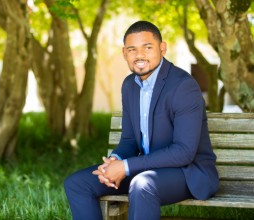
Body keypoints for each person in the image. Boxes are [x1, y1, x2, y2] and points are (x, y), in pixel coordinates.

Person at [64, 20, 219, 220]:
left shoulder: (183, 86)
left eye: (147, 47)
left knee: (142, 184)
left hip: (187, 173)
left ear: (162, 48)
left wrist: (126, 167)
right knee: (78, 183)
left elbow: (184, 152)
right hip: (145, 170)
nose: (139, 55)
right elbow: (129, 140)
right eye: (132, 49)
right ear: (124, 53)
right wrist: (115, 161)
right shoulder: (129, 85)